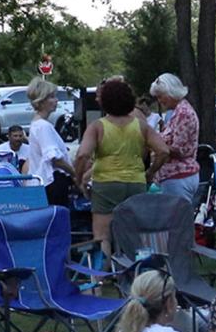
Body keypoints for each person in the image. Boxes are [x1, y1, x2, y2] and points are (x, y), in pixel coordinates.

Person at [73, 78, 170, 257]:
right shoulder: (141, 125)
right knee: (134, 233)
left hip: (106, 184)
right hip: (135, 183)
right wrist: (150, 172)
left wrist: (78, 179)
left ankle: (102, 278)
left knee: (102, 236)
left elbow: (82, 155)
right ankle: (136, 274)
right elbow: (163, 151)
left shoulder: (98, 126)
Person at [25, 78, 78, 207]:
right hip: (53, 181)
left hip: (45, 182)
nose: (56, 100)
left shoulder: (36, 124)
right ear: (41, 101)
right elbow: (54, 159)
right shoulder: (43, 126)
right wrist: (74, 174)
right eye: (52, 97)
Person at [149, 73, 200, 203]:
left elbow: (179, 149)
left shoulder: (183, 114)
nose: (159, 101)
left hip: (178, 177)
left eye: (160, 97)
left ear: (170, 92)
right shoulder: (177, 112)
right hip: (174, 177)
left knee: (176, 219)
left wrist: (155, 145)